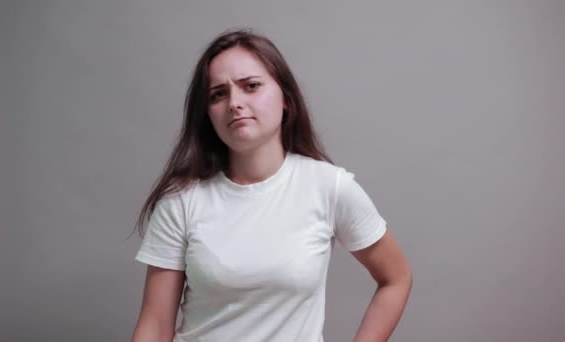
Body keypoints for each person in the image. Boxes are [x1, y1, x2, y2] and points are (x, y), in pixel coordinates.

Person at [131, 29, 412, 342]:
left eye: (251, 86)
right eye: (218, 94)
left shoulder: (329, 187)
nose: (235, 103)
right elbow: (155, 326)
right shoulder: (182, 200)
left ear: (286, 100)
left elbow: (396, 278)